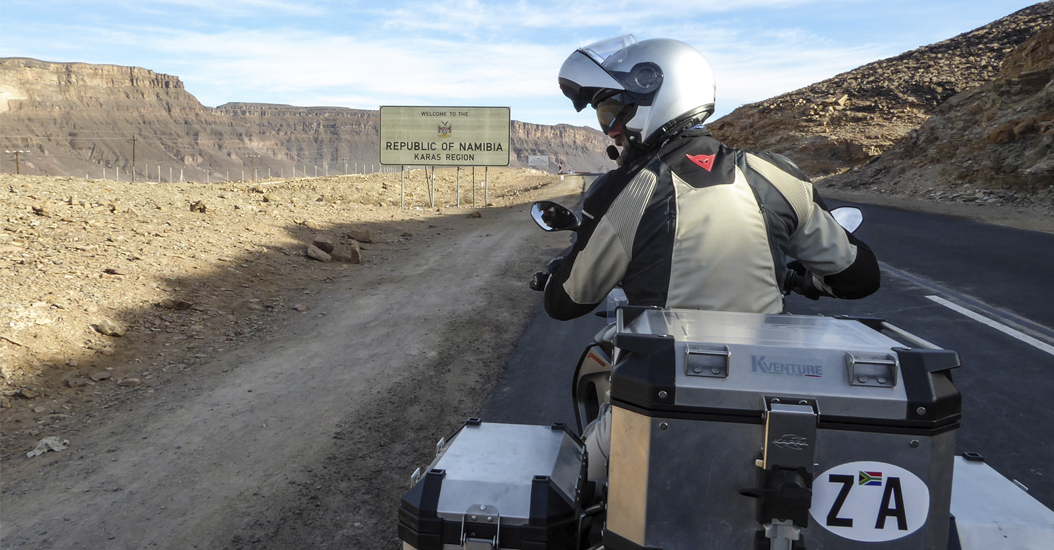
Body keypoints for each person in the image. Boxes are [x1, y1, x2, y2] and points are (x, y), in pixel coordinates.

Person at [540, 35, 881, 481]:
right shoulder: (773, 174)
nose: (612, 131)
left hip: (663, 394)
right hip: (774, 394)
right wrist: (808, 280)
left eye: (612, 114)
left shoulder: (625, 192)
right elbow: (860, 278)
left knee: (578, 481)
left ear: (650, 97)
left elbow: (567, 300)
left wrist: (552, 276)